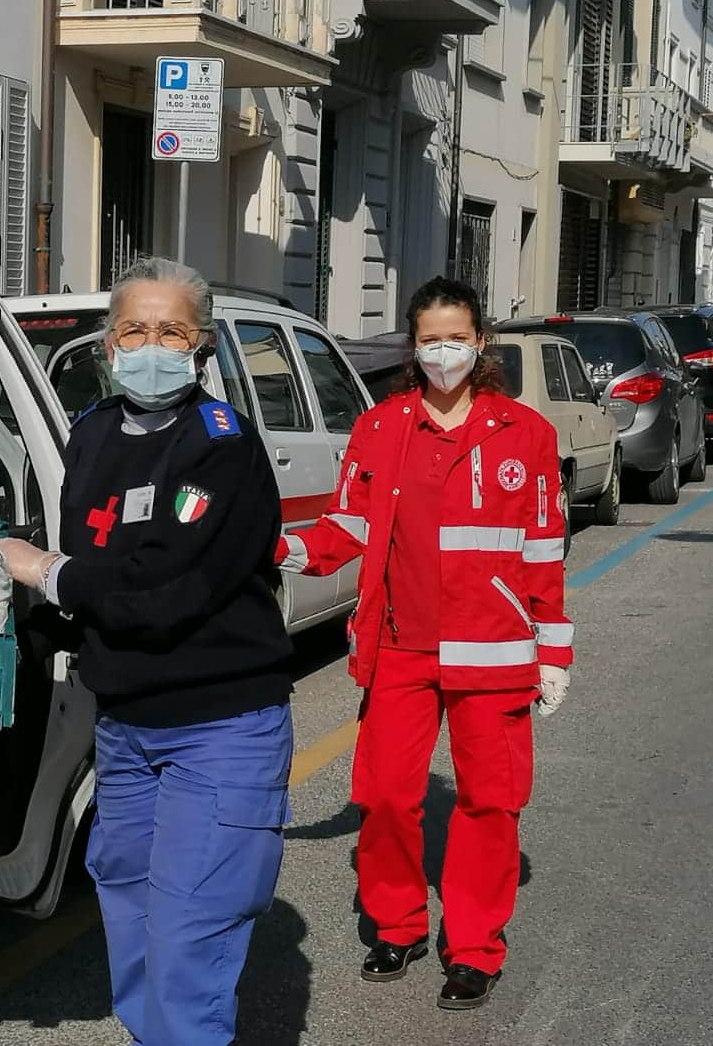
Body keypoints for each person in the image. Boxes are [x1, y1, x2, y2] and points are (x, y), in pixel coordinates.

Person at [0, 258, 294, 1046]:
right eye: (135, 329)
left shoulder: (220, 446)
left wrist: (49, 574)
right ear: (107, 343)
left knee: (189, 936)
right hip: (124, 728)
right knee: (129, 916)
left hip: (218, 726)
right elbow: (93, 576)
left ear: (201, 349)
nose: (151, 345)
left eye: (172, 331)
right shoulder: (92, 431)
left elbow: (168, 590)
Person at [279, 276, 572, 1011]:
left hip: (494, 650)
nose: (445, 350)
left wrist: (554, 651)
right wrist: (280, 549)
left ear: (480, 342)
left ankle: (473, 948)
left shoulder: (525, 434)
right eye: (430, 338)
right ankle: (398, 924)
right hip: (400, 647)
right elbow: (348, 525)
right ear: (413, 346)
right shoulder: (381, 428)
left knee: (489, 805)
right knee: (382, 797)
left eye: (458, 337)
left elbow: (542, 550)